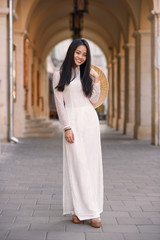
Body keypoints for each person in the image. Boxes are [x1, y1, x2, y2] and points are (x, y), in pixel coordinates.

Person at [53, 38, 103, 228]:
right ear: (71, 52)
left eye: (84, 54)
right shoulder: (59, 75)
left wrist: (96, 80)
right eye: (78, 52)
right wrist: (66, 127)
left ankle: (82, 210)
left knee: (91, 166)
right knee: (77, 166)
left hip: (90, 122)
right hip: (72, 122)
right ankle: (90, 212)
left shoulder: (86, 74)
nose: (81, 57)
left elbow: (94, 100)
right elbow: (60, 103)